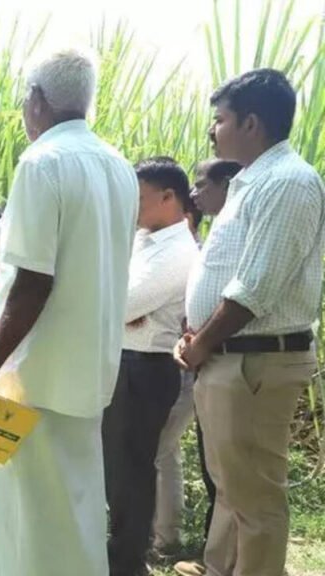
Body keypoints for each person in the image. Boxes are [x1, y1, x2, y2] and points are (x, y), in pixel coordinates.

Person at [0, 48, 138, 576]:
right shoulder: (119, 166)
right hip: (87, 372)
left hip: (31, 377)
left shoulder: (41, 162)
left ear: (37, 101)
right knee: (77, 511)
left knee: (27, 523)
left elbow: (32, 282)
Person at [175, 68, 325, 576]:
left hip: (255, 362)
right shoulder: (250, 181)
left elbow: (255, 289)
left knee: (257, 496)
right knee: (233, 483)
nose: (212, 131)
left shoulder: (289, 183)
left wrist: (201, 342)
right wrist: (196, 332)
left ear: (252, 122)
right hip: (228, 355)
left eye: (219, 120)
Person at [103, 157, 199, 576]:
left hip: (146, 367)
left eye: (139, 198)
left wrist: (116, 308)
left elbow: (118, 303)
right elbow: (113, 298)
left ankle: (128, 563)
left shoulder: (178, 251)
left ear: (168, 197)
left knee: (132, 469)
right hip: (124, 359)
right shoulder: (143, 240)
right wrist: (116, 308)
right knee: (116, 468)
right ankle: (120, 552)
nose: (133, 207)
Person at [156, 159, 239, 565]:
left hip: (209, 359)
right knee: (213, 468)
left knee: (226, 471)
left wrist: (199, 342)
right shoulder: (208, 246)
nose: (195, 193)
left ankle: (174, 539)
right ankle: (215, 555)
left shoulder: (193, 250)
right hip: (200, 361)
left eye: (202, 184)